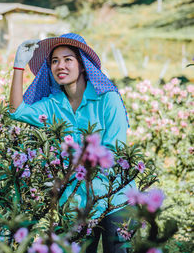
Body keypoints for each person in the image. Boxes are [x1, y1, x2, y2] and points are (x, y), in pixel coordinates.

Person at [8, 33, 135, 253]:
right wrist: (18, 66)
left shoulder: (107, 98)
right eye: (55, 61)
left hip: (116, 198)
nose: (60, 66)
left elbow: (114, 151)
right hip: (76, 201)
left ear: (83, 65)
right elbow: (18, 110)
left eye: (68, 59)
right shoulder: (53, 105)